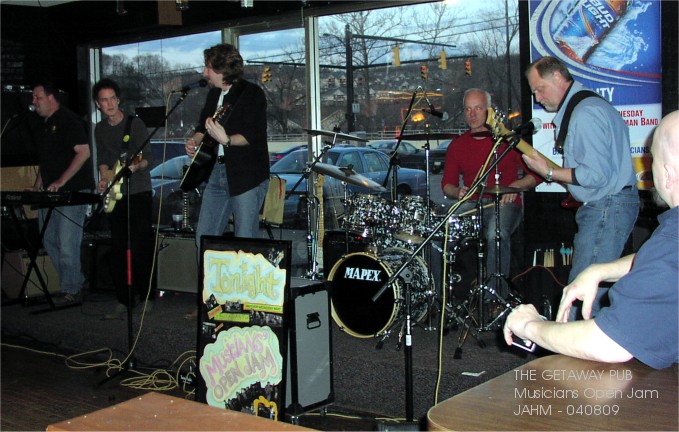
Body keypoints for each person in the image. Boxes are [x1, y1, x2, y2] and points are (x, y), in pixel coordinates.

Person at [504, 111, 679, 370]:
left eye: (652, 158)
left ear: (668, 173)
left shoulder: (671, 241)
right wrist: (601, 270)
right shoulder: (668, 246)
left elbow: (609, 343)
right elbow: (663, 262)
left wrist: (530, 325)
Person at [522, 56, 639, 320]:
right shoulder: (588, 106)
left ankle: (576, 346)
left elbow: (594, 176)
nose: (538, 98)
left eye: (539, 89)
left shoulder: (584, 113)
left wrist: (548, 172)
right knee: (590, 289)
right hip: (609, 204)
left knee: (582, 293)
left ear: (557, 77)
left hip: (606, 206)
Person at [441, 88, 539, 300]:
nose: (472, 114)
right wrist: (457, 191)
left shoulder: (507, 140)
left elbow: (536, 174)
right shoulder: (458, 145)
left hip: (505, 203)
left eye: (478, 108)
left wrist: (514, 187)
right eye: (468, 109)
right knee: (441, 230)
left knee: (496, 233)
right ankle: (444, 296)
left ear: (489, 111)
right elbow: (447, 184)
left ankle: (495, 297)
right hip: (472, 204)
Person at [184, 43, 269, 248]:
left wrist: (227, 139)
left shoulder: (252, 93)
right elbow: (202, 127)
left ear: (221, 70)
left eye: (208, 67)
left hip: (246, 175)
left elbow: (253, 135)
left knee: (245, 240)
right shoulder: (214, 95)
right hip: (216, 171)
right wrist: (194, 141)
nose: (204, 72)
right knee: (204, 238)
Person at [93, 78, 156, 320]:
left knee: (140, 246)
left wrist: (136, 166)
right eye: (104, 100)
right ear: (98, 104)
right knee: (119, 248)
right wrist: (104, 178)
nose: (109, 104)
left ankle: (147, 296)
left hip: (138, 191)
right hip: (115, 193)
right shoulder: (100, 129)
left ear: (118, 100)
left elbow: (148, 157)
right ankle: (124, 298)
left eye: (112, 99)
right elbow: (103, 158)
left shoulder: (134, 124)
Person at [27, 82, 95, 305]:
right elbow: (47, 162)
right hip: (51, 193)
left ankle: (72, 289)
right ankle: (76, 282)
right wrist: (37, 186)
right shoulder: (46, 125)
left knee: (67, 243)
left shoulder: (68, 120)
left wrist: (61, 181)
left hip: (72, 191)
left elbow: (83, 152)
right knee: (49, 241)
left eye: (37, 97)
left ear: (51, 98)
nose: (33, 102)